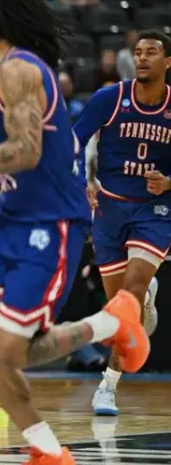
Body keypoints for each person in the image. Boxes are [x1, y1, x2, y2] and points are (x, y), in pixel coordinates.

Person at [0, 0, 149, 464]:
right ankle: (46, 448)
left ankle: (109, 323)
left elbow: (26, 152)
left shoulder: (20, 71)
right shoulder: (10, 68)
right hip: (10, 219)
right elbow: (28, 167)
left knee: (10, 352)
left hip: (49, 225)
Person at [73, 29, 171, 417]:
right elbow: (73, 141)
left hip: (156, 211)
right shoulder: (110, 98)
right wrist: (83, 183)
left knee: (129, 295)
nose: (142, 58)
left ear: (168, 63)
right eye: (138, 52)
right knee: (122, 308)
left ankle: (107, 386)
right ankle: (145, 298)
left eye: (152, 52)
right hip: (110, 210)